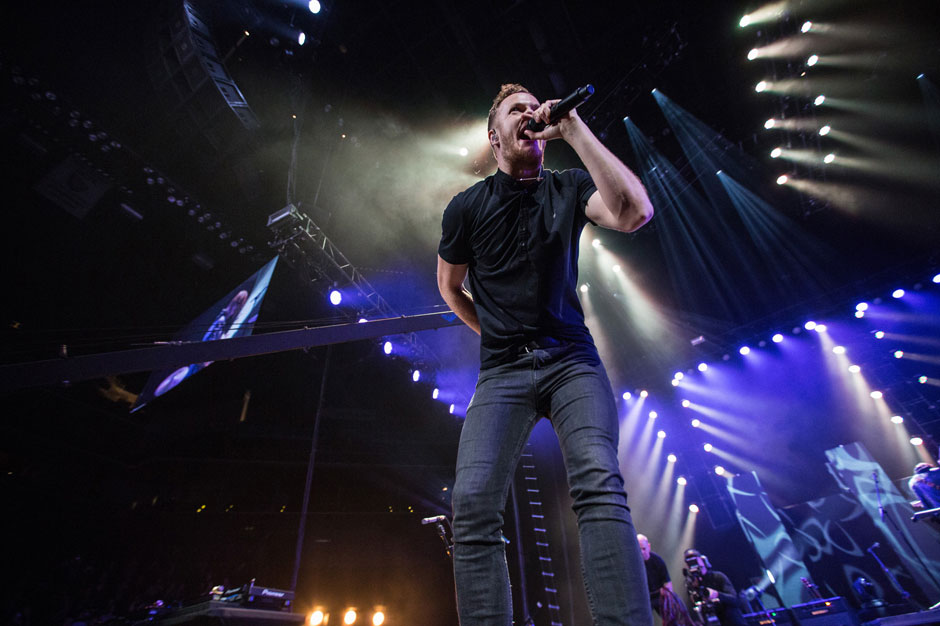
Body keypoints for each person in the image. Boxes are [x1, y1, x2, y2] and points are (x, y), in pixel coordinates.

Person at [437, 82, 654, 626]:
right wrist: (492, 332)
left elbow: (634, 212)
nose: (530, 114)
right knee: (473, 504)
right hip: (502, 372)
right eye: (517, 110)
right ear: (494, 137)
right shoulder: (466, 207)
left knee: (598, 480)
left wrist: (573, 129)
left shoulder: (568, 185)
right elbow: (449, 286)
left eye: (534, 107)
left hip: (571, 361)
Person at [683, 549, 746, 626]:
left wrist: (716, 594)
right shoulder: (691, 584)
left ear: (703, 560)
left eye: (694, 559)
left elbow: (735, 600)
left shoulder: (718, 577)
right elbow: (694, 608)